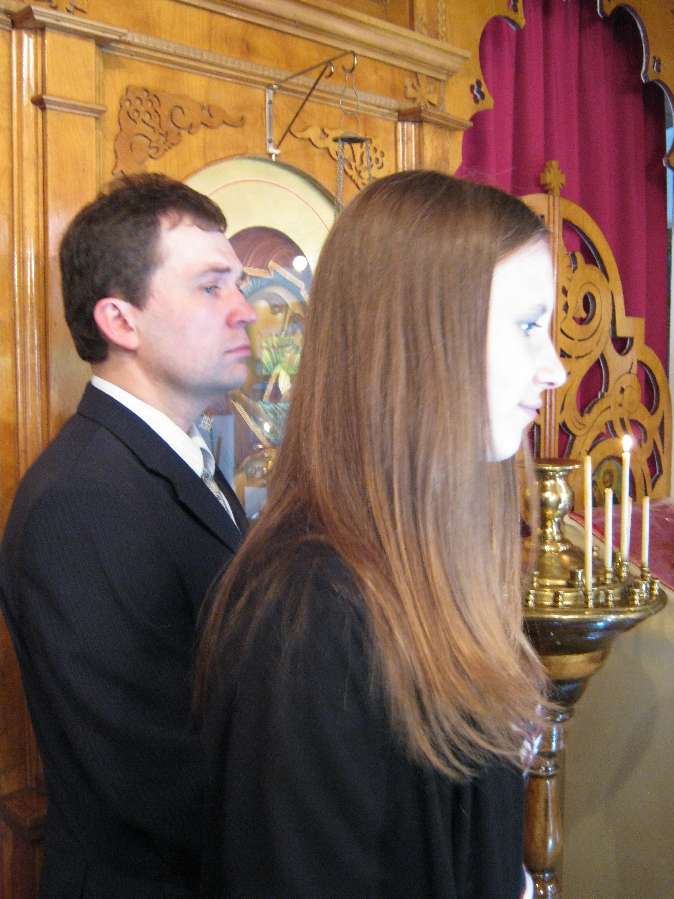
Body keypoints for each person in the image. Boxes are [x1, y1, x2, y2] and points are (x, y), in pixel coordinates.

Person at [195, 170, 567, 898]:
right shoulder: (310, 616)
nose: (553, 368)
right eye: (528, 326)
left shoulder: (422, 563)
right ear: (418, 338)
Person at [0, 174, 256, 898]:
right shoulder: (81, 498)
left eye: (239, 284)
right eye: (211, 286)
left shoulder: (177, 455)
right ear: (120, 320)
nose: (245, 309)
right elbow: (154, 774)